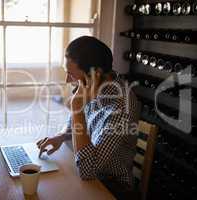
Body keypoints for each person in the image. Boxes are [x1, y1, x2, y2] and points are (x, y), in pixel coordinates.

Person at [36, 36, 139, 199]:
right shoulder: (93, 86)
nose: (67, 80)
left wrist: (77, 109)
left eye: (71, 74)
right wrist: (61, 136)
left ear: (95, 73)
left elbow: (87, 170)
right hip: (90, 178)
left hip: (112, 188)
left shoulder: (120, 106)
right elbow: (75, 126)